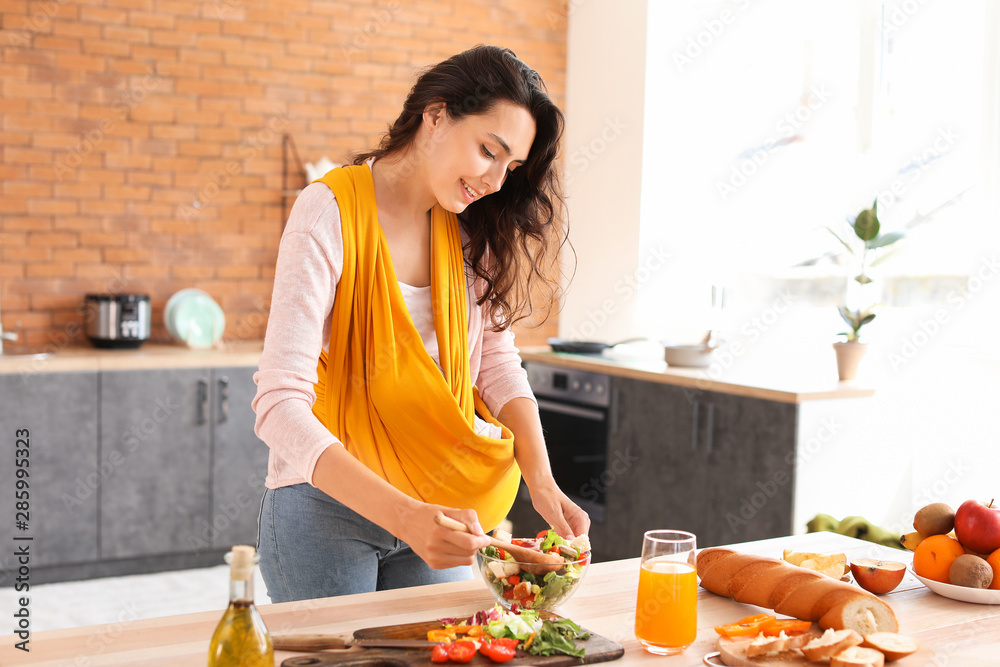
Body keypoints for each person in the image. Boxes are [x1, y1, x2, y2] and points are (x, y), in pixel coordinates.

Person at [252, 45, 589, 603]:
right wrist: (406, 517)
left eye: (510, 167)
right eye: (488, 151)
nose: (496, 181)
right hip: (327, 508)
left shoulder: (468, 230)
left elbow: (497, 366)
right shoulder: (328, 212)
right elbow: (279, 404)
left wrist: (542, 480)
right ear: (435, 115)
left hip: (441, 506)